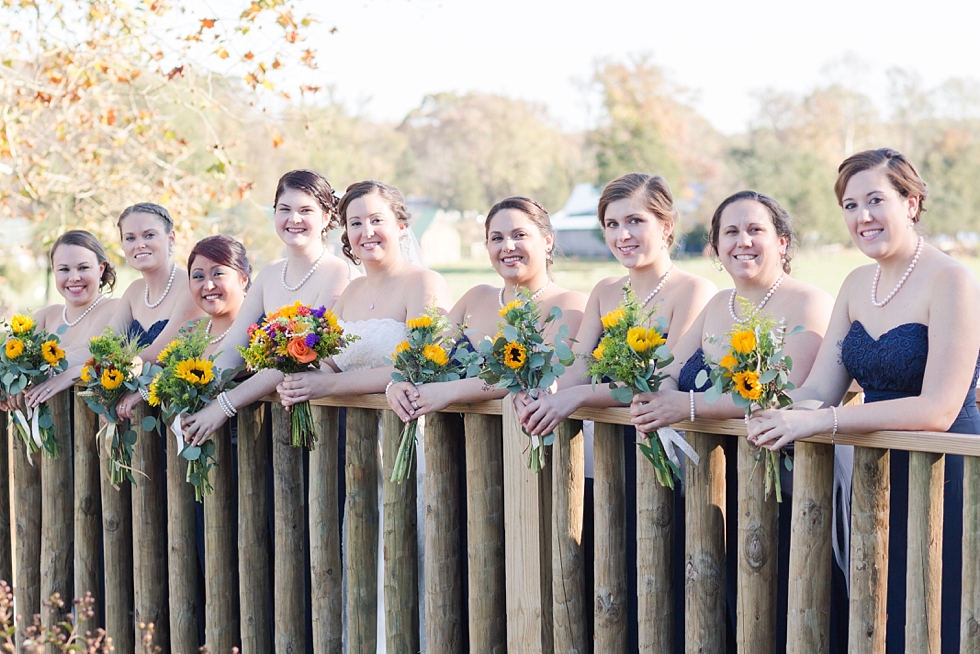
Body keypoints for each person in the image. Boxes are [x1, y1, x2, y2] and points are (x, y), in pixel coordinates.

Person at [747, 148, 980, 654]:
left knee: (938, 619)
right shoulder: (855, 284)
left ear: (912, 202)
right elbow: (818, 391)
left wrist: (824, 422)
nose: (862, 217)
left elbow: (939, 409)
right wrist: (771, 412)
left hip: (946, 474)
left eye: (876, 200)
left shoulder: (953, 281)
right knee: (880, 615)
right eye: (850, 206)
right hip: (875, 479)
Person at [505, 174, 713, 651]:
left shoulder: (692, 290)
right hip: (604, 463)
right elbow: (577, 371)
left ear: (665, 224)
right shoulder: (604, 290)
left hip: (665, 458)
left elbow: (667, 379)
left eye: (635, 221)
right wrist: (545, 392)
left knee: (664, 585)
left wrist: (576, 399)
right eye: (612, 223)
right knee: (607, 583)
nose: (623, 234)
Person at [629, 190, 834, 653]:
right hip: (714, 487)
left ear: (782, 241)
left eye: (755, 230)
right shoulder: (719, 304)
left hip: (788, 485)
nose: (743, 241)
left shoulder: (809, 303)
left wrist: (691, 408)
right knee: (724, 607)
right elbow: (668, 372)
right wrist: (655, 402)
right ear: (716, 247)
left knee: (784, 607)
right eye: (731, 232)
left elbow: (789, 396)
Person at [275, 179, 452, 651]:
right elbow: (334, 358)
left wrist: (326, 384)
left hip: (409, 443)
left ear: (400, 223)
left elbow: (418, 363)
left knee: (406, 559)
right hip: (355, 452)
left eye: (376, 220)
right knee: (359, 558)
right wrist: (300, 372)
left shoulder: (424, 283)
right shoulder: (348, 293)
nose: (366, 231)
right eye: (355, 222)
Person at [181, 169, 352, 445]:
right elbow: (232, 349)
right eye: (284, 209)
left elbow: (302, 361)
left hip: (325, 420)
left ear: (326, 217)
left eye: (305, 210)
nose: (294, 219)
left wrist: (224, 405)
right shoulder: (270, 273)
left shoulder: (337, 273)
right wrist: (196, 389)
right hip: (276, 422)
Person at [386, 195, 586, 421]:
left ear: (547, 241)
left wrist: (449, 391)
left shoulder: (569, 303)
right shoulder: (475, 297)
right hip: (459, 442)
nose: (508, 246)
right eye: (497, 238)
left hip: (530, 442)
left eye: (519, 235)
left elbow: (544, 379)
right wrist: (398, 384)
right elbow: (427, 358)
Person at [25, 203, 200, 419]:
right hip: (135, 418)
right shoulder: (135, 291)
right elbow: (101, 347)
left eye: (149, 235)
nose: (139, 245)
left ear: (171, 238)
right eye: (130, 238)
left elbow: (154, 355)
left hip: (178, 416)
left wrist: (71, 374)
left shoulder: (191, 288)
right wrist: (29, 370)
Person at [3, 230, 118, 412]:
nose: (74, 278)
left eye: (83, 268)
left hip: (91, 428)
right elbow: (8, 351)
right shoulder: (46, 315)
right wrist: (11, 378)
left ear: (101, 269)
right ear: (54, 271)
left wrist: (28, 373)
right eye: (64, 269)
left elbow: (90, 353)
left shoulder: (115, 309)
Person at [185, 235, 251, 357]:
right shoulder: (191, 330)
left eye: (218, 273)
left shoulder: (262, 332)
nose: (208, 286)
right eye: (198, 276)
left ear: (243, 279)